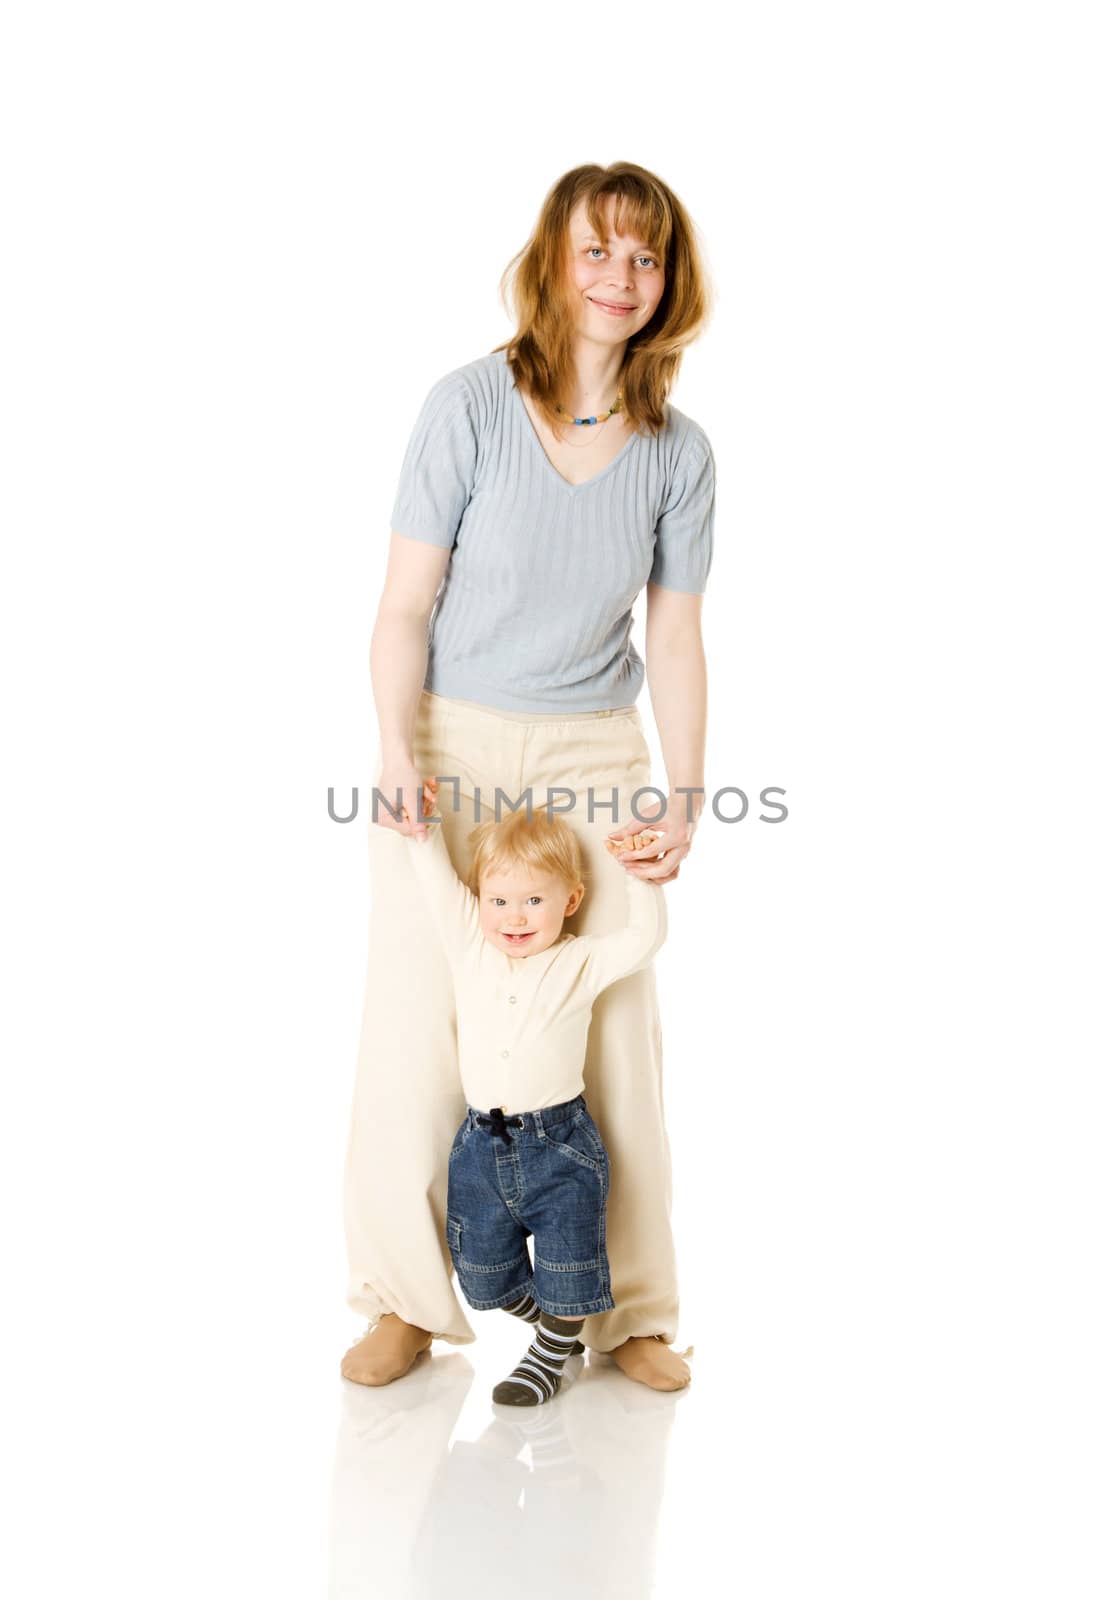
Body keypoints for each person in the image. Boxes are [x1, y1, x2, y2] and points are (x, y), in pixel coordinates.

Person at [341, 160, 717, 1393]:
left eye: (645, 257)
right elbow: (404, 606)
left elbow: (671, 634)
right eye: (597, 250)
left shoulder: (680, 450)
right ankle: (403, 1297)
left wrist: (684, 787)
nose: (620, 277)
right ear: (554, 261)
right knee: (416, 1029)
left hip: (596, 752)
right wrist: (397, 752)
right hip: (448, 746)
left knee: (612, 1036)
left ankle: (637, 1313)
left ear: (671, 282)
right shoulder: (466, 405)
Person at [404, 779, 667, 1405]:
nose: (514, 916)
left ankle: (549, 1353)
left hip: (560, 1145)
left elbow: (644, 941)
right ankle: (564, 1335)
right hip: (480, 1145)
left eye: (532, 900)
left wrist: (641, 877)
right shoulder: (472, 946)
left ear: (571, 900)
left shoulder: (578, 961)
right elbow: (440, 888)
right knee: (484, 1276)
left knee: (570, 1267)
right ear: (480, 901)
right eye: (498, 900)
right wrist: (423, 828)